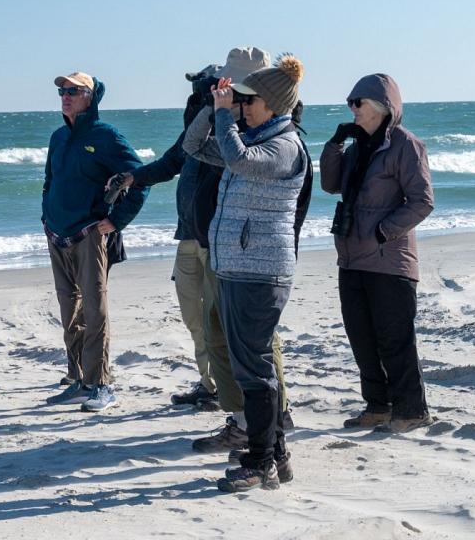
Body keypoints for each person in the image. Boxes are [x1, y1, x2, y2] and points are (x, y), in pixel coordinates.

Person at [183, 56, 311, 492]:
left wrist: (224, 114)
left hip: (261, 273)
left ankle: (259, 462)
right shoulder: (254, 136)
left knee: (254, 371)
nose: (243, 106)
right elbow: (193, 145)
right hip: (238, 268)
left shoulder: (284, 146)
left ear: (274, 104)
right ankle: (274, 454)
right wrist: (213, 104)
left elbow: (237, 159)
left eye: (249, 100)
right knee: (249, 369)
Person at [321, 74, 434, 433]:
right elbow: (330, 184)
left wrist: (384, 231)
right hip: (352, 257)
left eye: (359, 103)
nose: (352, 109)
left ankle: (412, 411)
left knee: (394, 339)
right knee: (362, 339)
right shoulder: (357, 148)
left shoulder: (405, 145)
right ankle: (378, 407)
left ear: (382, 108)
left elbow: (422, 202)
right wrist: (336, 145)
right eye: (350, 103)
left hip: (389, 260)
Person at [112, 64, 221, 409]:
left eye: (205, 89)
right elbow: (172, 161)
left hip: (214, 239)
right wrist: (134, 177)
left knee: (214, 317)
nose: (198, 95)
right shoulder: (194, 128)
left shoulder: (230, 126)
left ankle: (225, 387)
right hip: (187, 235)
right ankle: (209, 383)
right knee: (193, 315)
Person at [42, 72, 148, 413]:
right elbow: (50, 181)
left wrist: (117, 220)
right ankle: (78, 379)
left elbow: (140, 179)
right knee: (67, 309)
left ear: (91, 96)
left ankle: (101, 383)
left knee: (94, 309)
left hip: (89, 234)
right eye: (62, 90)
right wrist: (46, 216)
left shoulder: (106, 136)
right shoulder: (59, 137)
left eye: (74, 90)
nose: (66, 95)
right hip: (57, 234)